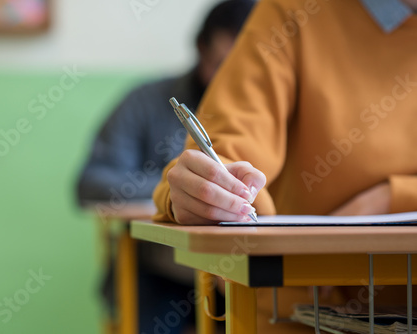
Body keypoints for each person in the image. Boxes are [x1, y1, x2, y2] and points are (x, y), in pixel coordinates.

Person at [153, 0, 417, 332]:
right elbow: (228, 149)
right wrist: (207, 189)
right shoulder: (292, 11)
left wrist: (390, 200)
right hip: (296, 314)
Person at [76, 1, 257, 333]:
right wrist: (174, 189)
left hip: (243, 275)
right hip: (161, 276)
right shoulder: (146, 102)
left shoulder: (274, 109)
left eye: (248, 67)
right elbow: (91, 183)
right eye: (222, 65)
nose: (234, 80)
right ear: (202, 49)